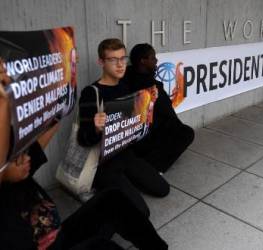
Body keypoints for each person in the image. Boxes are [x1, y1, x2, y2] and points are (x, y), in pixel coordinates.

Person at [0, 122, 168, 250]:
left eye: (24, 151)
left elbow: (52, 124)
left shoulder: (20, 171)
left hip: (60, 239)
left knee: (113, 199)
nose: (26, 158)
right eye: (17, 157)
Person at [77, 38, 170, 217]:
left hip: (126, 153)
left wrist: (150, 105)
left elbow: (136, 127)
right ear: (101, 62)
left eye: (122, 58)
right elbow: (83, 139)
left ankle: (124, 184)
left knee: (162, 189)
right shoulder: (91, 93)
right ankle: (103, 190)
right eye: (113, 60)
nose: (120, 65)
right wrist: (96, 128)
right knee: (141, 212)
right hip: (103, 163)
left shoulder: (125, 86)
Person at [123, 43, 195, 173]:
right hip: (143, 139)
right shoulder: (152, 87)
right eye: (153, 58)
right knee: (186, 133)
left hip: (131, 139)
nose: (156, 61)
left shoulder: (126, 77)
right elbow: (168, 116)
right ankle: (153, 169)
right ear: (143, 61)